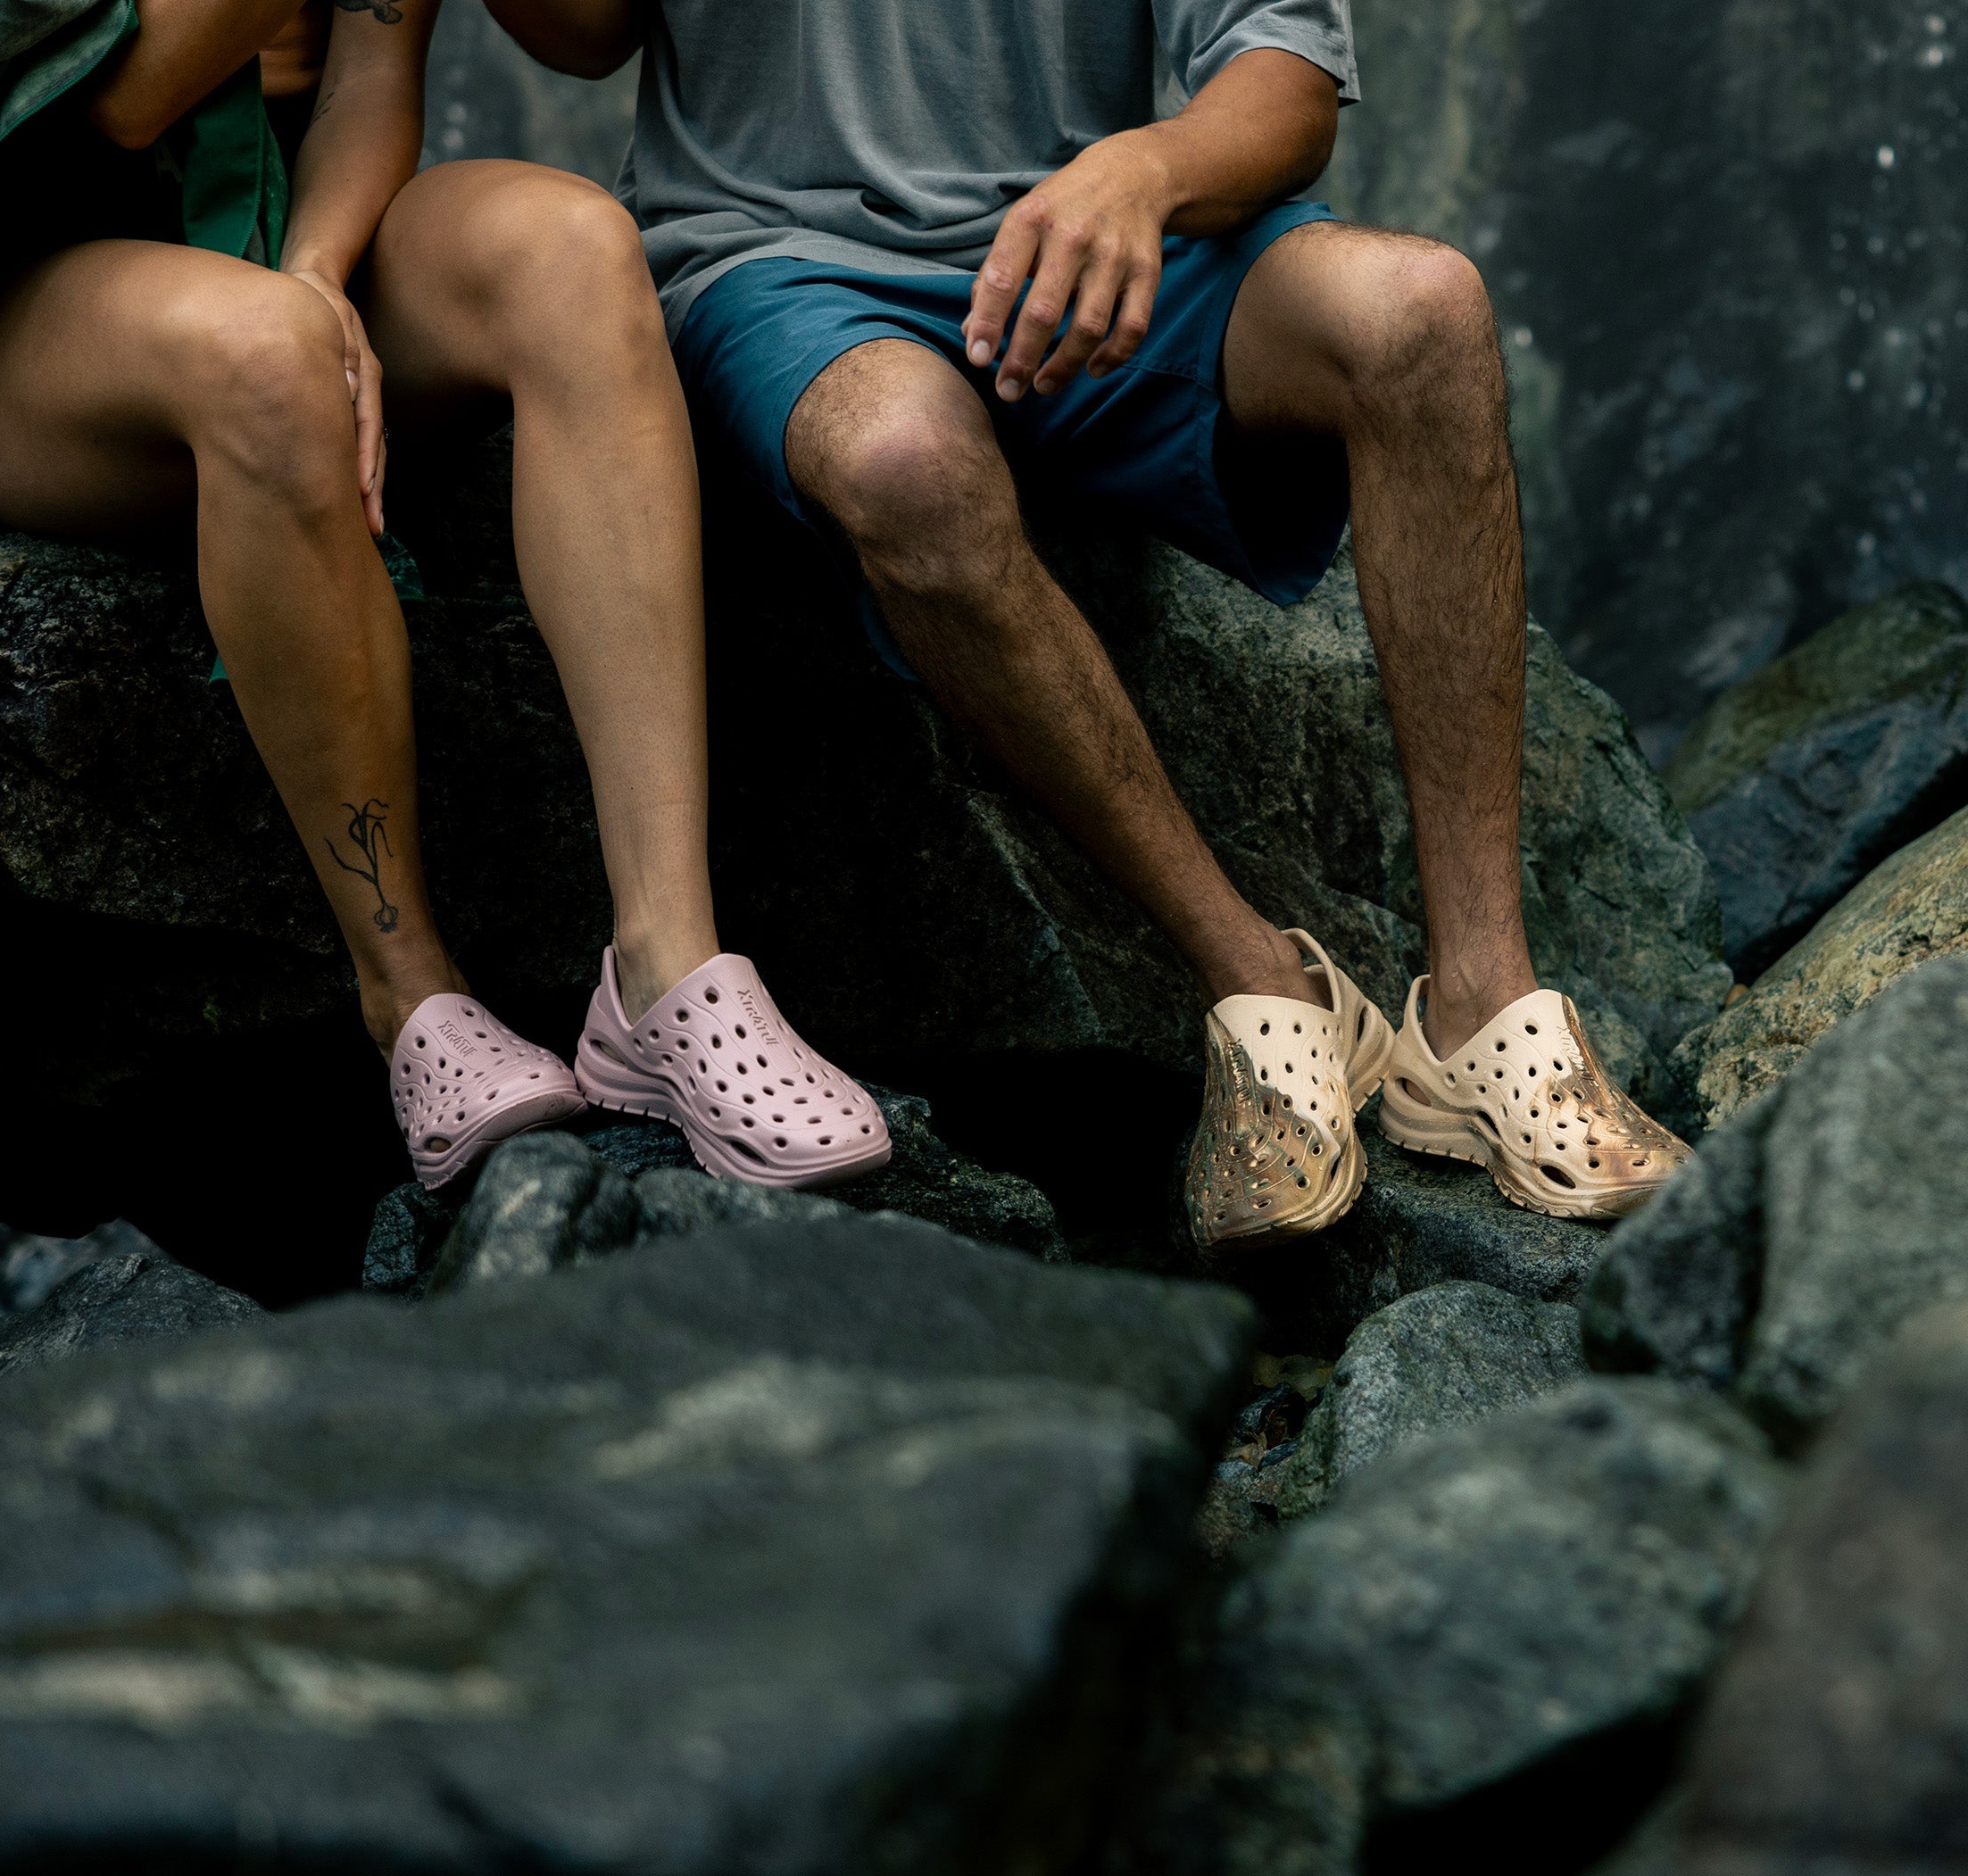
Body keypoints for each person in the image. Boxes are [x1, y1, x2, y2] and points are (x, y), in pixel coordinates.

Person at [486, 0, 1696, 1251]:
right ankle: (1257, 982)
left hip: (1106, 250)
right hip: (780, 260)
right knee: (903, 465)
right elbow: (581, 32)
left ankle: (1482, 1005)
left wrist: (1142, 169)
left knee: (1423, 310)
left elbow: (1284, 83)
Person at [0, 0, 885, 1191]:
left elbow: (368, 75)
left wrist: (320, 270)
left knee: (571, 247)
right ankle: (408, 995)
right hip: (29, 297)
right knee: (269, 356)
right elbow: (130, 98)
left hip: (283, 225)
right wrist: (295, 321)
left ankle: (665, 972)